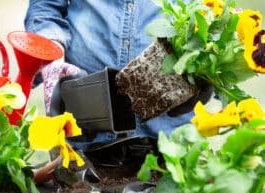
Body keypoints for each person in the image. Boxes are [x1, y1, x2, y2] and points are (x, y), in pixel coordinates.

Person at [24, 0, 212, 152]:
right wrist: (50, 55)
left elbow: (216, 14)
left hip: (171, 136)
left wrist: (210, 70)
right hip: (84, 126)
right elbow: (45, 5)